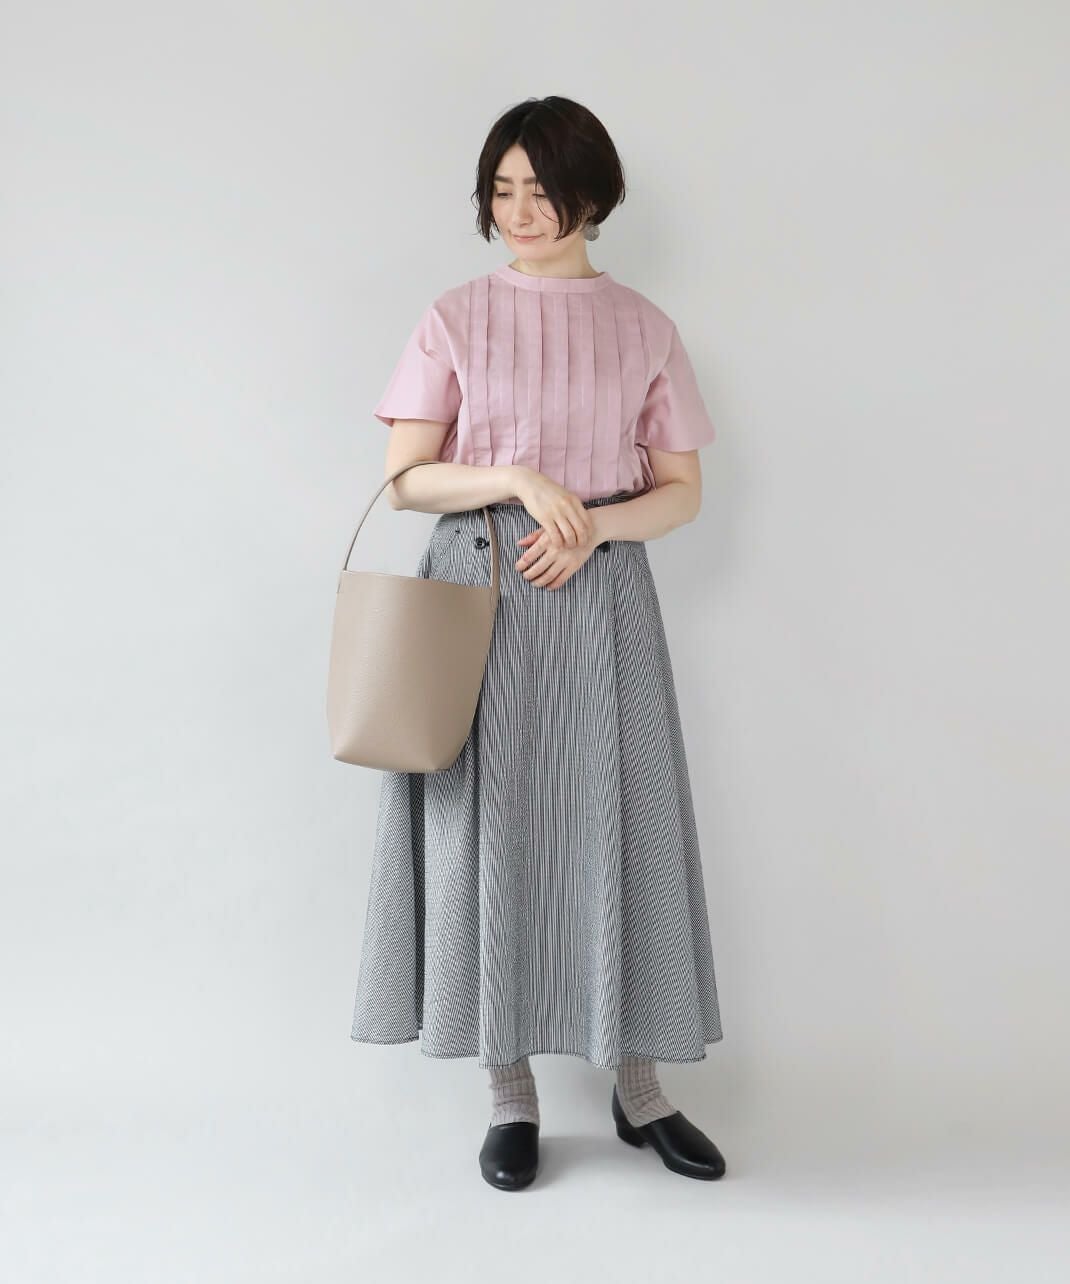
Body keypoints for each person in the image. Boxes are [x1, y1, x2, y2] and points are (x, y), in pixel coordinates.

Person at [349, 95, 727, 1190]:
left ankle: (640, 1088)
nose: (518, 210)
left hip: (601, 595)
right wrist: (517, 478)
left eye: (541, 189)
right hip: (477, 590)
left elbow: (682, 492)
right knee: (489, 832)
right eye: (501, 189)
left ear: (592, 196)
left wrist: (593, 528)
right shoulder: (455, 316)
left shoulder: (644, 326)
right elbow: (406, 479)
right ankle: (508, 1095)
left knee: (624, 823)